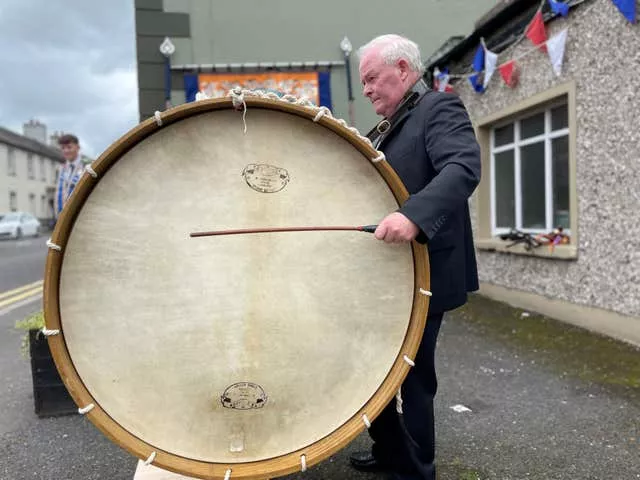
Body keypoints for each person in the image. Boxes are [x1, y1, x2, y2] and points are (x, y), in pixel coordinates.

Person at [349, 34, 481, 480]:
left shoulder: (438, 108)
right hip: (387, 275)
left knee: (414, 377)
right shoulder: (386, 127)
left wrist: (414, 218)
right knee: (377, 371)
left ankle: (418, 469)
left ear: (403, 69)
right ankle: (389, 450)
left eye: (372, 79)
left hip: (427, 272)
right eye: (363, 82)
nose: (366, 90)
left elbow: (462, 167)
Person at [54, 134, 85, 218]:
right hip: (62, 218)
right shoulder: (62, 169)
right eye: (63, 148)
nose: (66, 151)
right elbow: (59, 193)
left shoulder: (86, 166)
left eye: (69, 147)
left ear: (77, 147)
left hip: (80, 216)